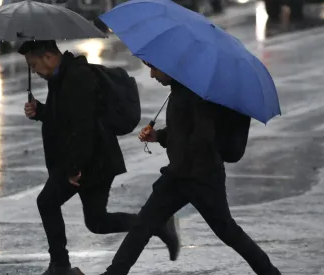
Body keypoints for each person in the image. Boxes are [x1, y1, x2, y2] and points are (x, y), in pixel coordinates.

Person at [98, 62, 282, 275]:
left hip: (202, 178)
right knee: (143, 225)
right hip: (179, 176)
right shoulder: (180, 90)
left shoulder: (195, 94)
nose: (151, 75)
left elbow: (203, 136)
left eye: (155, 69)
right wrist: (159, 136)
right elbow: (182, 132)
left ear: (169, 68)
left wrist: (184, 158)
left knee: (228, 231)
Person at [19, 41, 180, 275]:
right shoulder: (62, 77)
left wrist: (73, 167)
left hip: (91, 161)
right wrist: (40, 111)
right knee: (97, 221)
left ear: (48, 57)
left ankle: (61, 266)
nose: (34, 71)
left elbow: (82, 127)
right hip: (93, 160)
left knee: (47, 201)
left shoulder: (76, 78)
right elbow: (65, 118)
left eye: (33, 64)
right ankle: (156, 223)